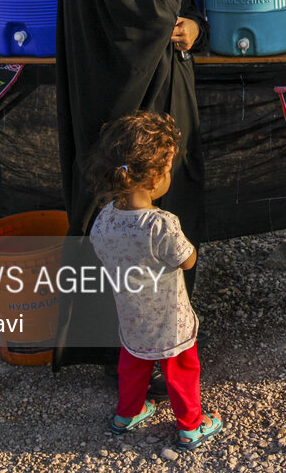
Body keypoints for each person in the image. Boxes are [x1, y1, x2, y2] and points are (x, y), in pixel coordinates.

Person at [54, 0, 206, 369]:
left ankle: (167, 343)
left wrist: (191, 26)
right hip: (130, 136)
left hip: (156, 121)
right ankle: (135, 355)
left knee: (161, 244)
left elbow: (170, 12)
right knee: (133, 241)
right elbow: (146, 16)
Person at [87, 111, 223, 450]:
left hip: (131, 318)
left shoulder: (104, 218)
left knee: (132, 367)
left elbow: (99, 250)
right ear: (153, 180)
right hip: (169, 321)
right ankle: (191, 426)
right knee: (180, 371)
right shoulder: (161, 224)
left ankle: (126, 414)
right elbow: (187, 259)